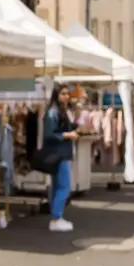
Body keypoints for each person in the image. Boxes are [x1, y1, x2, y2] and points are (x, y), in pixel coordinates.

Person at [43, 84, 80, 232]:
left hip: (60, 153)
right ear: (57, 95)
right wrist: (68, 135)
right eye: (63, 94)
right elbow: (49, 134)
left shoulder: (61, 111)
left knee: (58, 186)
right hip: (58, 154)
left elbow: (65, 128)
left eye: (67, 94)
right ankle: (56, 218)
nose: (66, 96)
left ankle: (56, 217)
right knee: (64, 186)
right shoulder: (53, 112)